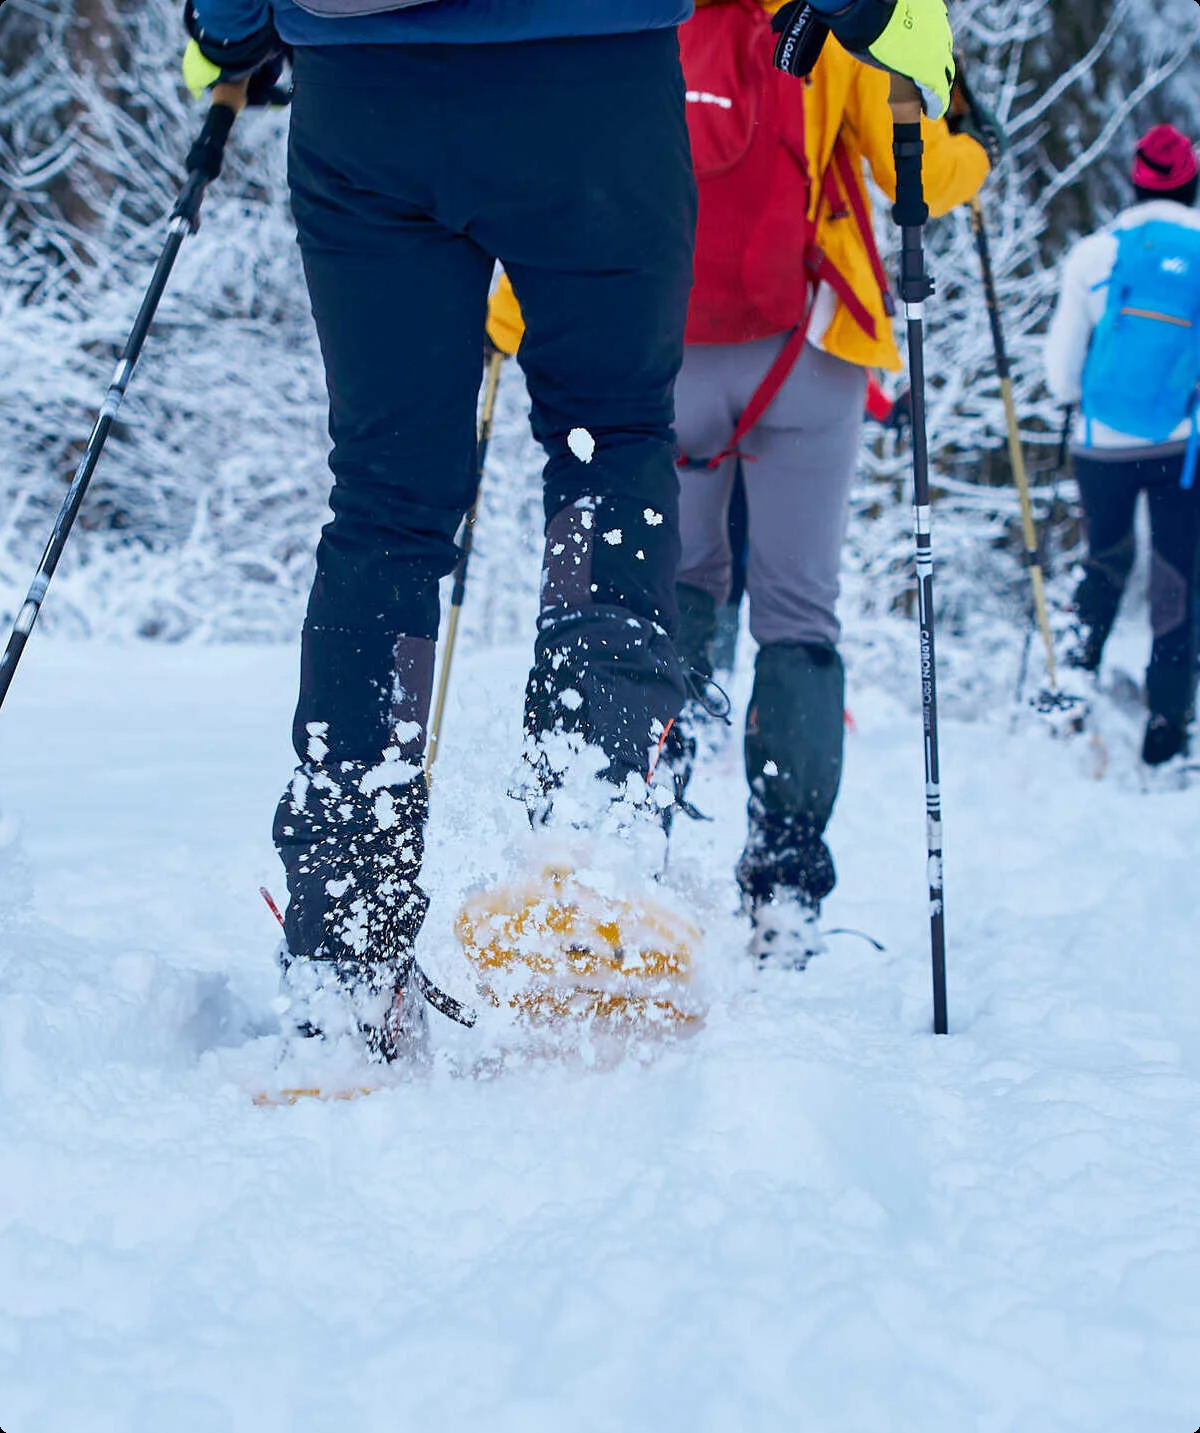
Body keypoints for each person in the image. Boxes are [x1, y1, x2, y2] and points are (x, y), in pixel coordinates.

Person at [181, 0, 960, 1057]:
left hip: (364, 97)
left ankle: (343, 942)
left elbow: (228, 19)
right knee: (607, 444)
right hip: (593, 86)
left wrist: (227, 35)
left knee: (383, 505)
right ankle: (581, 840)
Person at [669, 2, 990, 964]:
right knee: (799, 617)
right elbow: (916, 175)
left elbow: (580, 176)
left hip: (668, 351)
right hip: (807, 350)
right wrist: (971, 140)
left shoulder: (647, 17)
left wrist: (508, 326)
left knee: (673, 593)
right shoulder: (836, 13)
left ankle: (639, 852)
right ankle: (785, 886)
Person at [1046, 123, 1200, 770]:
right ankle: (1167, 724)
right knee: (1176, 573)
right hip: (1181, 442)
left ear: (1133, 182)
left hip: (1100, 443)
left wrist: (1074, 402)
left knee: (1104, 560)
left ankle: (1075, 691)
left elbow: (1060, 369)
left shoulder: (1093, 253)